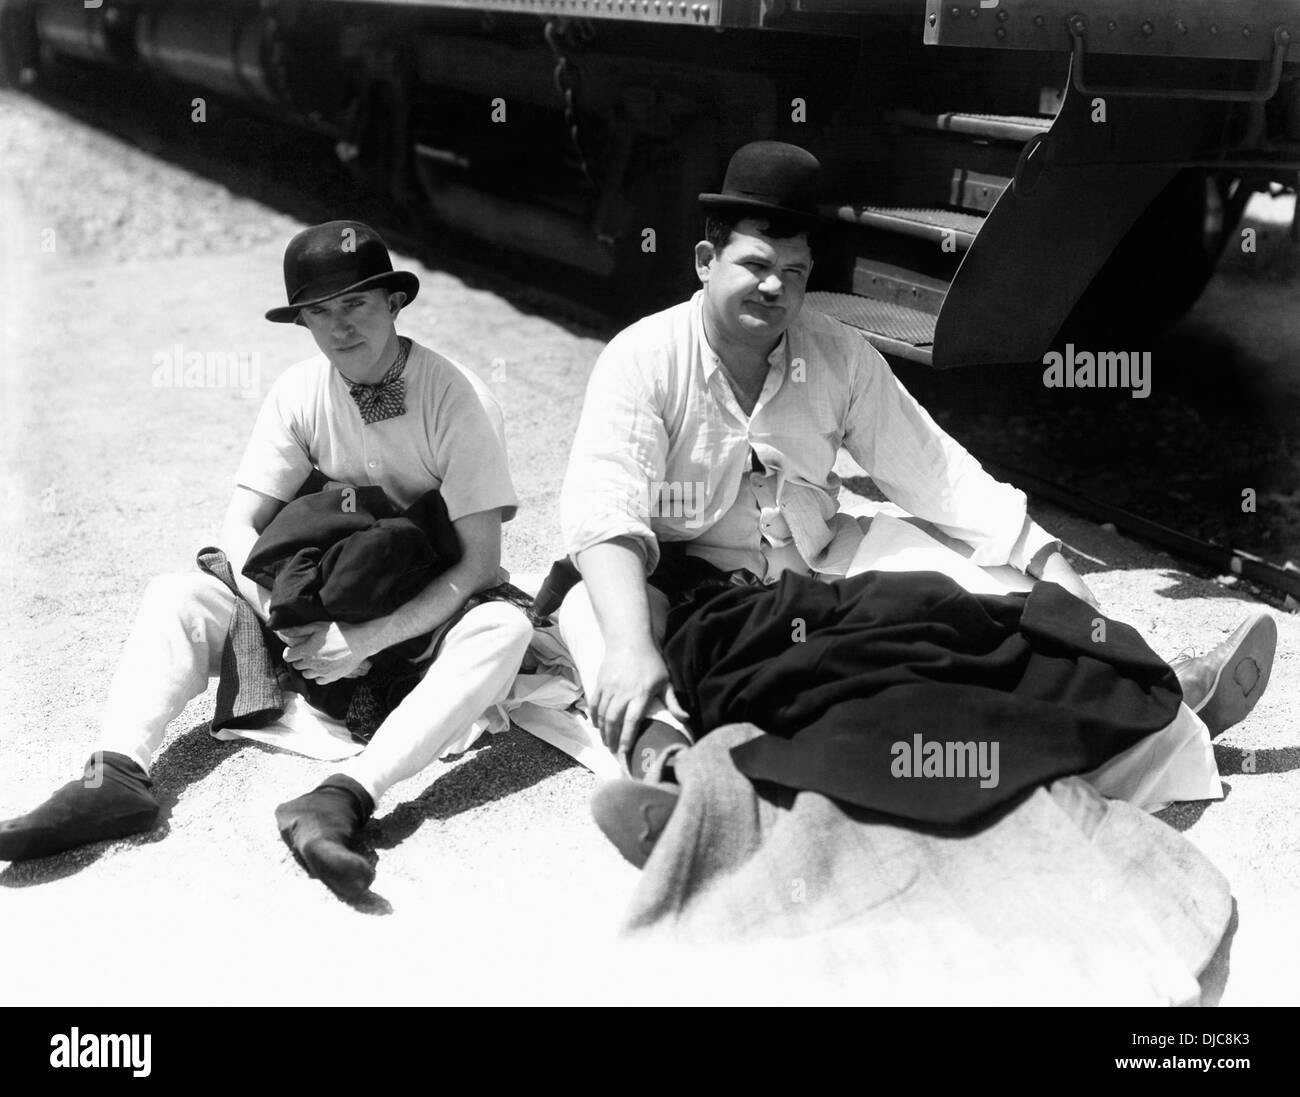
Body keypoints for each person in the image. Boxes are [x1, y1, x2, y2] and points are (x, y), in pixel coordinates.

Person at [555, 141, 1276, 856]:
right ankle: (672, 779)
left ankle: (1164, 696)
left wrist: (1047, 558)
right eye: (754, 266)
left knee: (1002, 600)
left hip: (819, 570)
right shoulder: (643, 358)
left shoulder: (834, 352)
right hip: (696, 595)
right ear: (706, 263)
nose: (775, 289)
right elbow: (604, 511)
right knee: (593, 609)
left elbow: (935, 471)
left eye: (795, 273)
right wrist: (628, 644)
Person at [0, 221, 534, 899]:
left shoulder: (459, 400)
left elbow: (480, 564)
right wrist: (295, 629)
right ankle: (118, 774)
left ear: (395, 304)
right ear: (302, 320)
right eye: (320, 311)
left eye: (357, 304)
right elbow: (239, 527)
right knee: (178, 593)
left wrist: (365, 639)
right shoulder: (299, 390)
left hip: (419, 617)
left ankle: (342, 799)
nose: (340, 328)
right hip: (312, 612)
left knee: (506, 630)